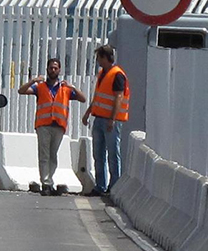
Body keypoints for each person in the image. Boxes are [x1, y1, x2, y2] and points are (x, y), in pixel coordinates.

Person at [18, 57, 86, 196]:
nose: (53, 70)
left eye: (55, 68)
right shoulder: (40, 86)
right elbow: (21, 91)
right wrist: (32, 81)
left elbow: (83, 98)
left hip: (58, 126)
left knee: (53, 155)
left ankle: (50, 179)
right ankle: (46, 183)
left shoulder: (65, 88)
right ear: (47, 69)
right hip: (43, 125)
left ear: (59, 70)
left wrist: (73, 87)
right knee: (44, 154)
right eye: (51, 68)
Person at [81, 44, 129, 197]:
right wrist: (88, 112)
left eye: (99, 58)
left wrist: (112, 119)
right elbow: (98, 97)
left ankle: (114, 186)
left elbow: (118, 97)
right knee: (98, 154)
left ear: (106, 58)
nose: (98, 62)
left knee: (113, 153)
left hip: (110, 121)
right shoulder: (102, 74)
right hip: (99, 118)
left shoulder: (117, 74)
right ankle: (100, 185)